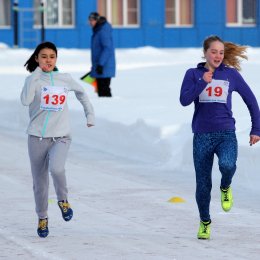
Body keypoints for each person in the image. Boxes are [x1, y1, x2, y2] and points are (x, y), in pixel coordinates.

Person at [179, 35, 260, 239]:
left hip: (226, 133)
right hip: (202, 136)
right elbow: (184, 100)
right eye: (213, 51)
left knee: (227, 165)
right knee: (203, 184)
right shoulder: (193, 73)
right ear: (205, 52)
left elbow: (252, 101)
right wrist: (201, 83)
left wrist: (256, 129)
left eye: (221, 52)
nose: (217, 56)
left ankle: (225, 186)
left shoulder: (231, 75)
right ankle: (205, 222)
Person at [21, 41, 95, 238]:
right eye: (43, 57)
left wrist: (90, 115)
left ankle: (63, 200)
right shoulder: (32, 80)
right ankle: (42, 217)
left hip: (61, 136)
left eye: (52, 57)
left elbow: (82, 93)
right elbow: (25, 100)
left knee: (57, 168)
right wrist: (35, 76)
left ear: (56, 59)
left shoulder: (64, 79)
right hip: (36, 137)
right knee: (40, 183)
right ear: (37, 58)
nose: (48, 61)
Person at [88, 12, 116, 97]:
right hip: (100, 66)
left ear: (97, 20)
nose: (90, 23)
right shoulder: (98, 30)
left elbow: (107, 48)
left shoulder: (102, 31)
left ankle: (108, 108)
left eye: (92, 20)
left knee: (104, 91)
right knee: (101, 90)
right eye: (89, 20)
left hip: (104, 66)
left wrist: (100, 64)